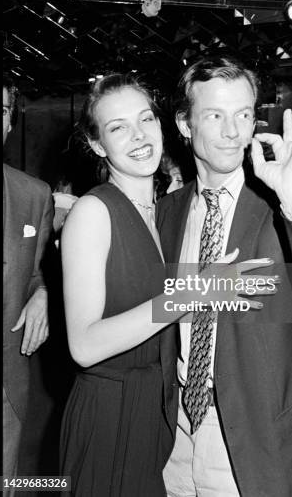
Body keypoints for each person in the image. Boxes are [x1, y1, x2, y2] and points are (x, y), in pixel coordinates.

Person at [157, 54, 292, 497]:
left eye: (243, 115)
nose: (233, 132)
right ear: (184, 123)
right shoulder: (166, 214)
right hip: (172, 440)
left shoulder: (284, 205)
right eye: (214, 115)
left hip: (261, 449)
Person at [59, 73, 265, 496]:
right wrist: (193, 293)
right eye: (118, 128)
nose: (139, 136)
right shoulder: (94, 212)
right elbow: (83, 345)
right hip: (110, 415)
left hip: (158, 412)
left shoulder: (164, 213)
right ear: (97, 144)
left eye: (145, 119)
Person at [3, 76, 54, 491]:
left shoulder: (33, 195)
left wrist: (43, 293)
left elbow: (38, 271)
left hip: (7, 383)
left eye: (0, 111)